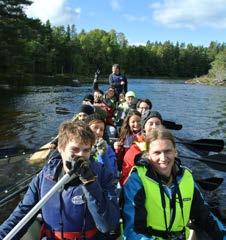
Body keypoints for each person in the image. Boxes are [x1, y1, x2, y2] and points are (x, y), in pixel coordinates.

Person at [0, 121, 120, 239]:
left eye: (86, 150)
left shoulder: (103, 175)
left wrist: (91, 184)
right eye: (75, 149)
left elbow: (108, 226)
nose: (81, 155)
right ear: (61, 148)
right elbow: (21, 214)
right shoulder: (44, 177)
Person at [122, 127, 226, 240]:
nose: (163, 158)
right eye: (157, 152)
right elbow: (132, 230)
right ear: (148, 155)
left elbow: (205, 216)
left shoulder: (187, 177)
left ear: (175, 152)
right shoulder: (137, 180)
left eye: (167, 151)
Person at [120, 111, 163, 186]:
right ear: (144, 127)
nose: (154, 127)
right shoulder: (134, 150)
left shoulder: (167, 146)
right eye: (151, 123)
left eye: (158, 124)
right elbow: (124, 178)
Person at [86, 113, 118, 180]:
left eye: (101, 129)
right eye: (95, 127)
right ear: (86, 128)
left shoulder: (108, 149)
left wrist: (103, 155)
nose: (98, 132)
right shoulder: (79, 148)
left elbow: (111, 175)